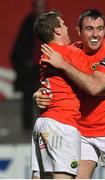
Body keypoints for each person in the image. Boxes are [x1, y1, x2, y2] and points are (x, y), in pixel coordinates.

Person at [34, 9, 105, 179]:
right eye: (89, 29)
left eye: (100, 29)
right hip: (81, 131)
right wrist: (39, 93)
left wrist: (64, 65)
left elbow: (96, 88)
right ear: (78, 31)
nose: (96, 34)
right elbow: (52, 82)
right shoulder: (70, 51)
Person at [11, 0, 48, 130]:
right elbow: (20, 46)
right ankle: (27, 128)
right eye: (37, 6)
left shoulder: (49, 23)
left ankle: (44, 125)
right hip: (30, 68)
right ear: (33, 8)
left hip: (45, 67)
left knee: (45, 97)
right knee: (28, 97)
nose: (40, 9)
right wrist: (25, 63)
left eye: (42, 6)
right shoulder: (28, 23)